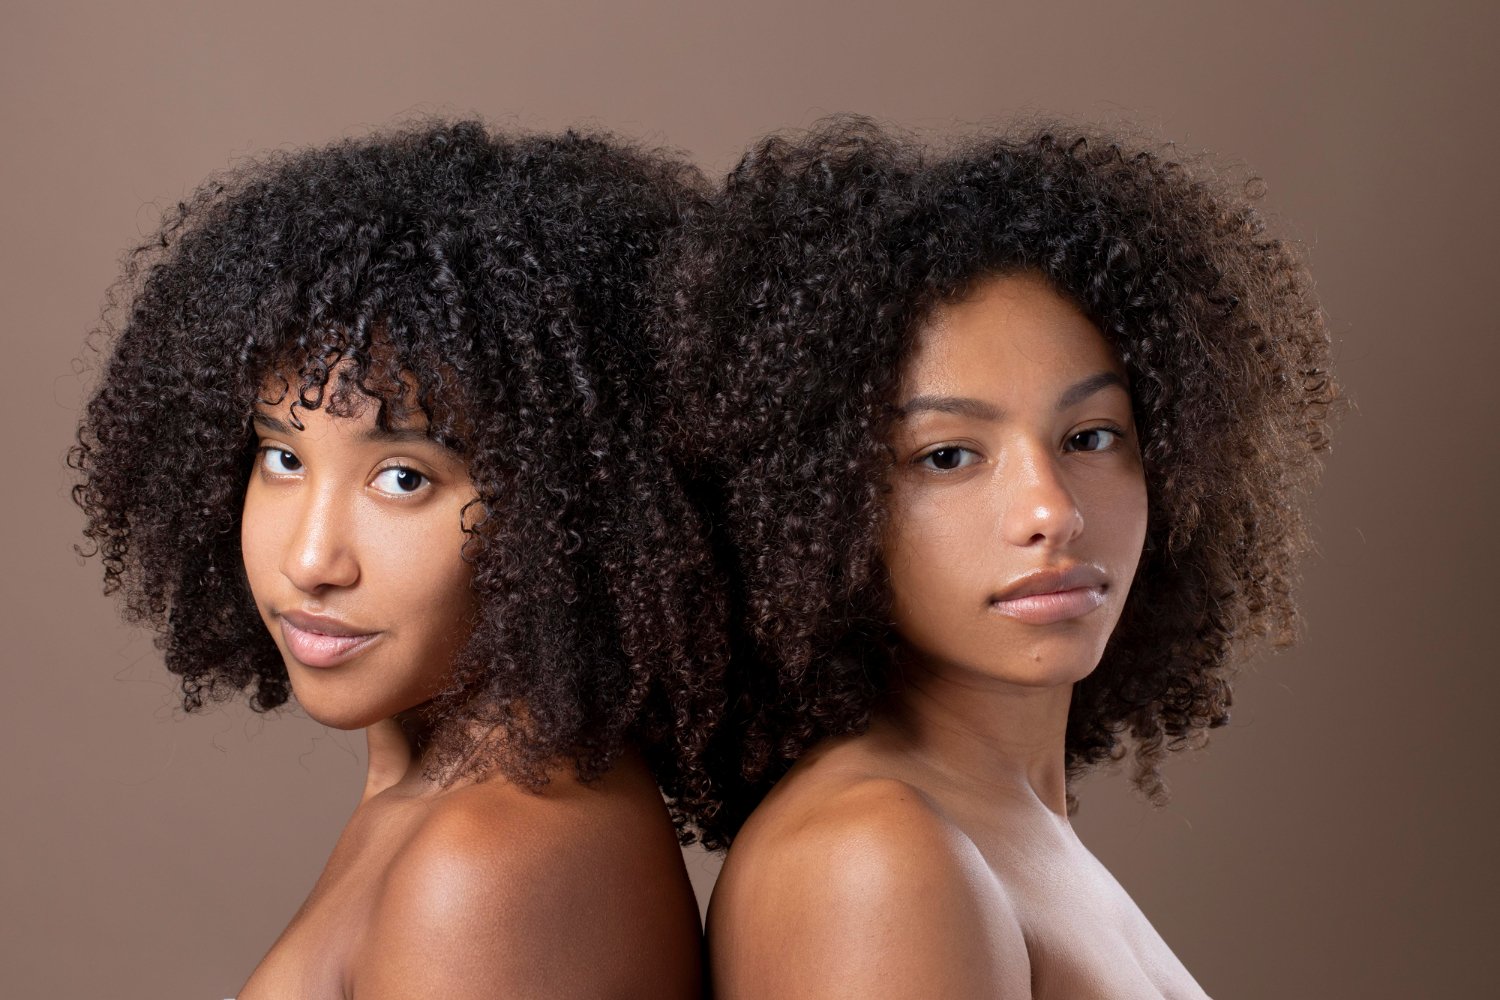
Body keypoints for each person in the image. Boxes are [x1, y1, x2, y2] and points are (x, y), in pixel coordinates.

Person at [654, 118, 1338, 997]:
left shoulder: (1004, 825)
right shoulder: (875, 859)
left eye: (1091, 436)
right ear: (807, 503)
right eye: (947, 456)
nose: (1052, 510)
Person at [71, 120, 720, 999]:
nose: (310, 558)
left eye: (403, 477)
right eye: (283, 458)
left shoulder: (488, 864)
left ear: (572, 506)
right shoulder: (438, 782)